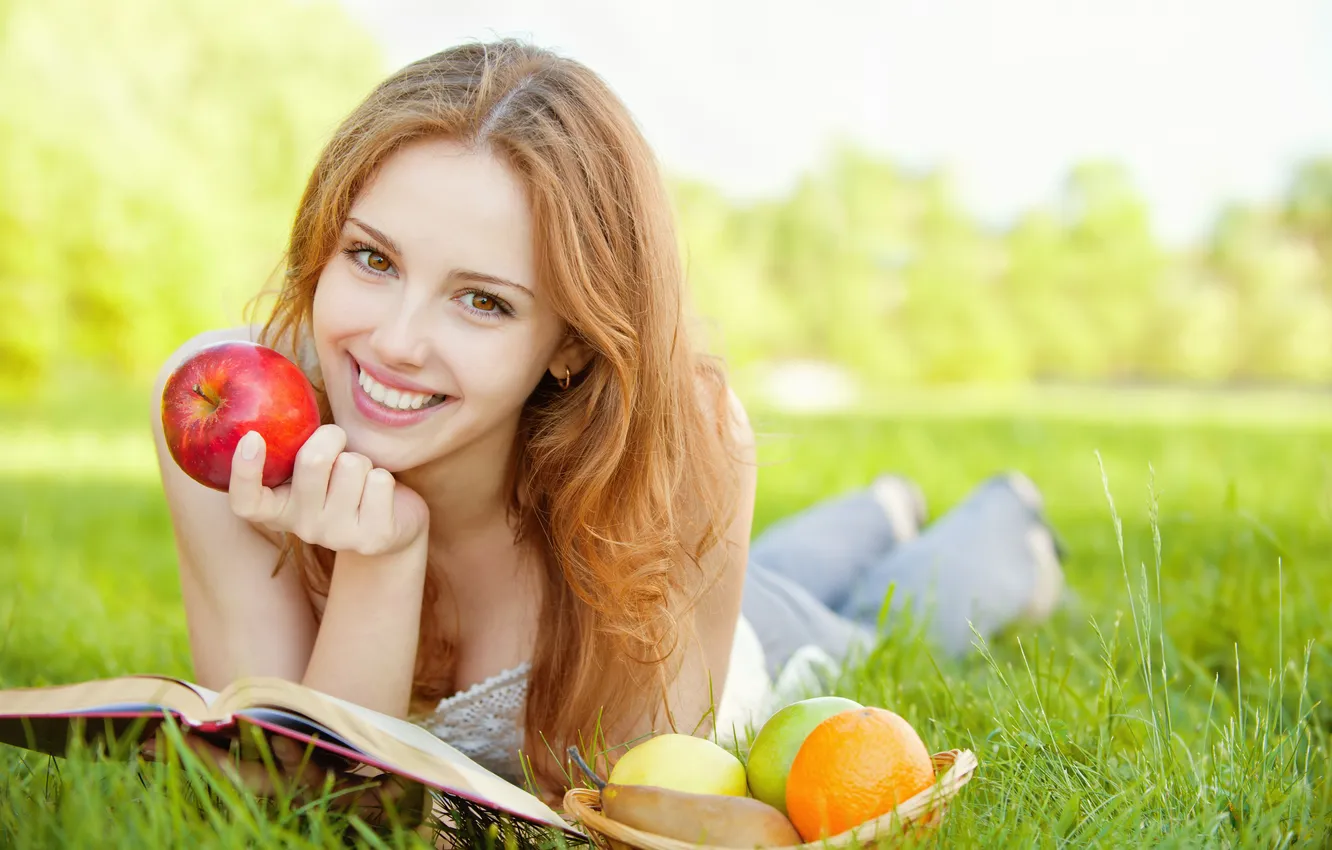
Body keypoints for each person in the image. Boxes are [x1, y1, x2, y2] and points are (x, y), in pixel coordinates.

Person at [148, 39, 1065, 808]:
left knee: (906, 615)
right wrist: (381, 564)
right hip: (728, 582)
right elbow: (297, 803)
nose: (394, 342)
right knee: (802, 564)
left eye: (481, 300)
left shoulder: (681, 438)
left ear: (573, 344)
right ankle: (880, 507)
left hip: (746, 646)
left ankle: (1007, 517)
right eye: (371, 258)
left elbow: (641, 792)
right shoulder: (229, 423)